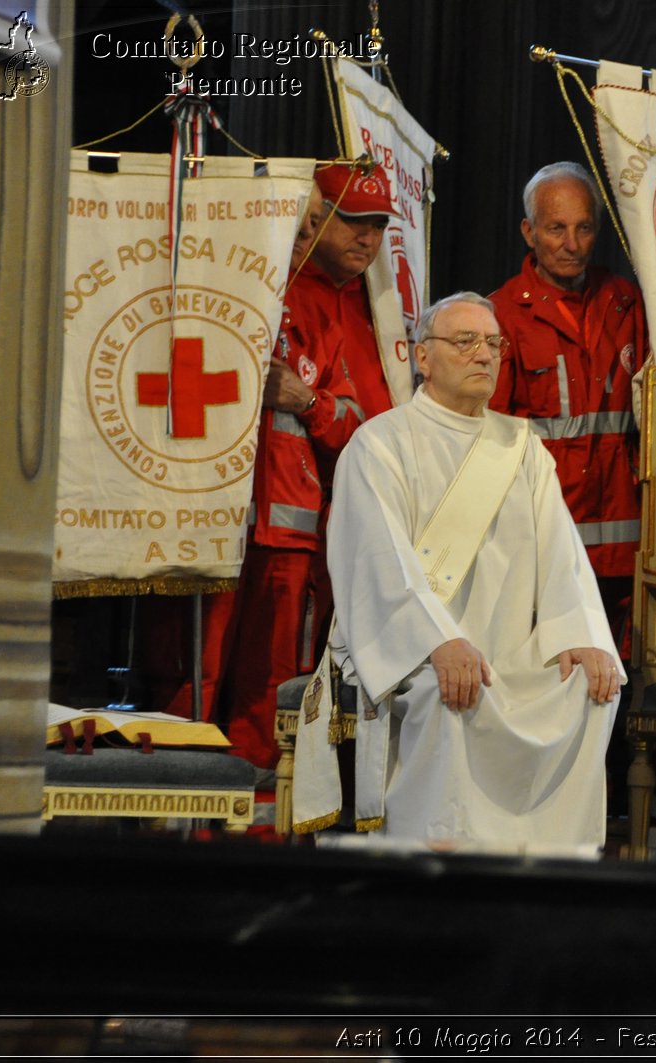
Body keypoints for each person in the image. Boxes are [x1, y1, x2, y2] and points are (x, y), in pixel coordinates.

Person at [311, 292, 621, 850]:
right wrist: (437, 640)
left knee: (589, 686)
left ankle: (553, 862)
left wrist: (580, 636)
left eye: (493, 343)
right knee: (449, 688)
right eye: (465, 341)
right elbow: (379, 562)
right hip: (414, 646)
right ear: (422, 357)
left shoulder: (522, 447)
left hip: (509, 647)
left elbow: (562, 555)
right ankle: (440, 862)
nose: (484, 355)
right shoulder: (380, 443)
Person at [210, 164, 400, 773]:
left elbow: (365, 427)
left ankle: (259, 832)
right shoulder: (224, 283)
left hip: (290, 532)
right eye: (351, 222)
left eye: (377, 226)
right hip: (204, 515)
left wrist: (306, 400)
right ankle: (171, 830)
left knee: (269, 691)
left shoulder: (348, 310)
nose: (366, 238)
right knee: (190, 674)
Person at [489, 161, 647, 644]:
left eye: (583, 228)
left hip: (624, 544)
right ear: (528, 231)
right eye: (556, 228)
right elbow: (489, 440)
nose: (572, 244)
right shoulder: (499, 314)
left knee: (617, 684)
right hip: (544, 539)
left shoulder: (628, 303)